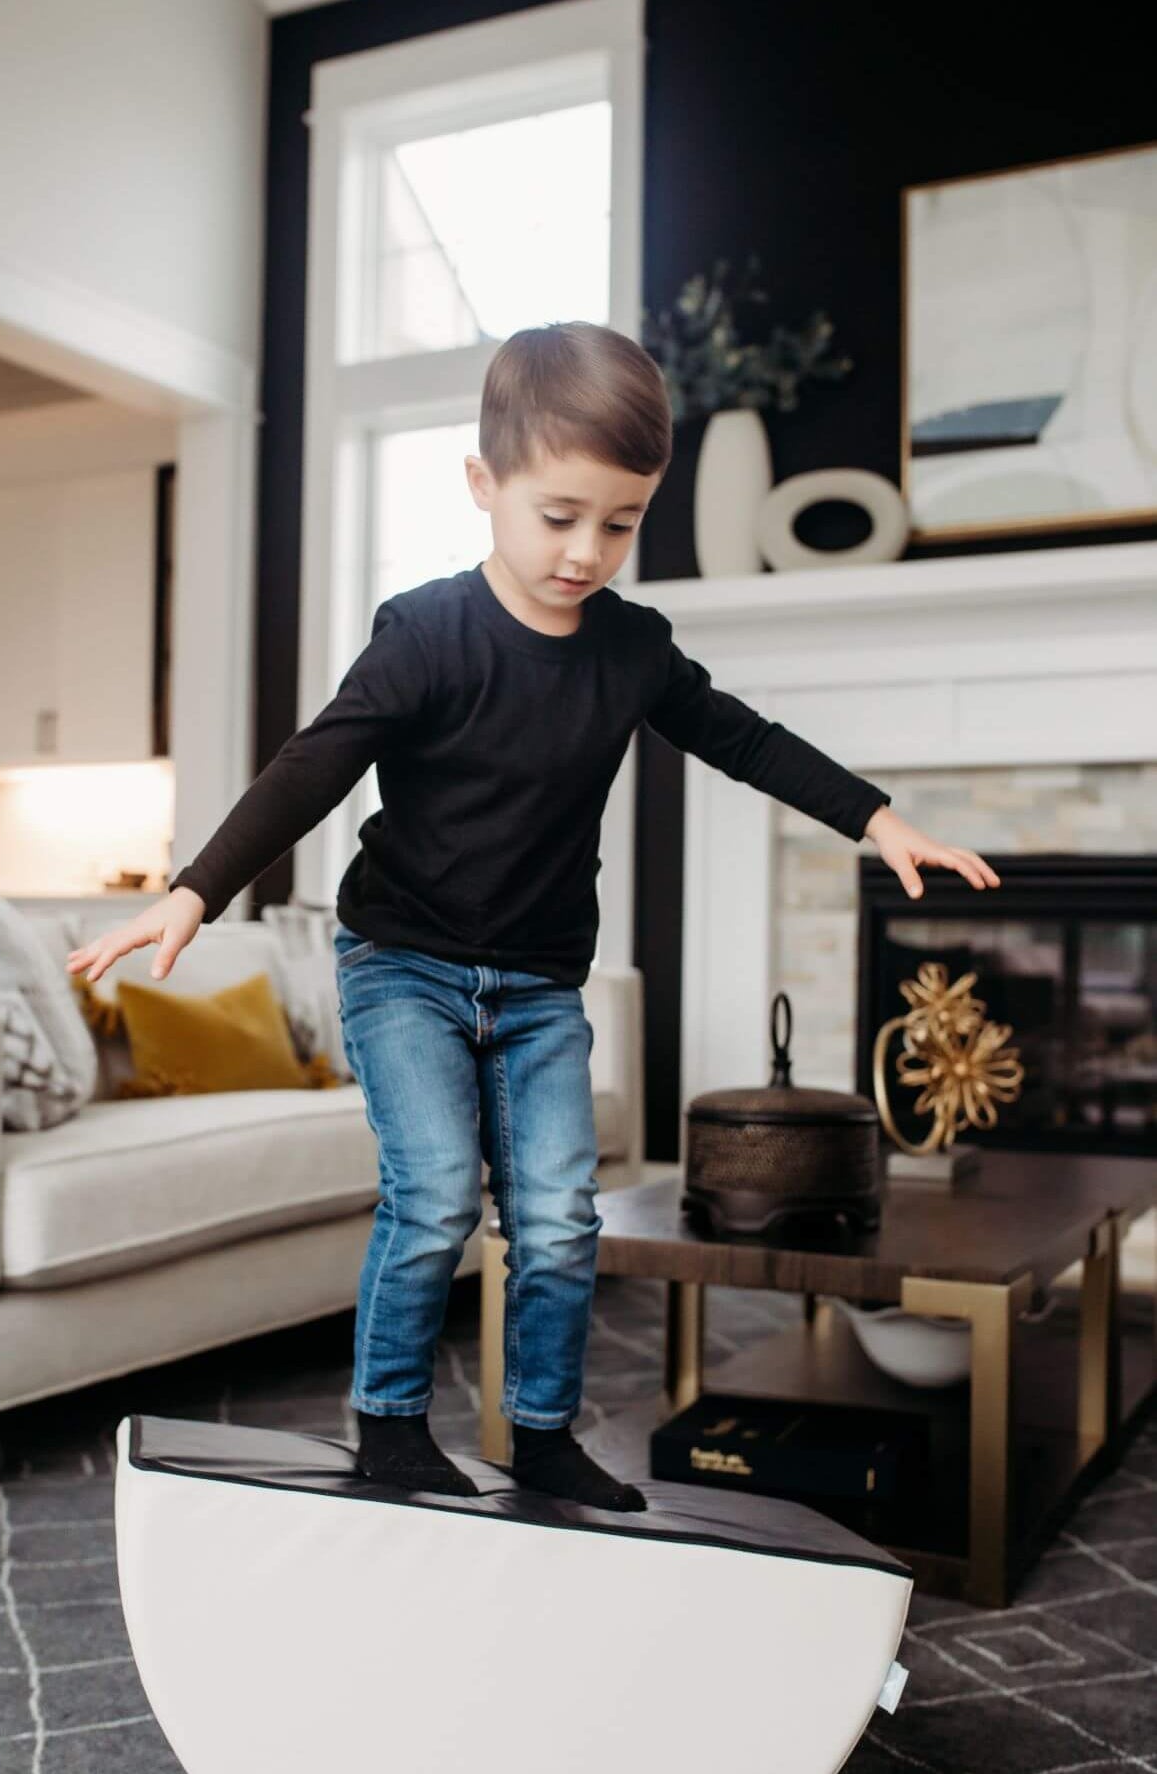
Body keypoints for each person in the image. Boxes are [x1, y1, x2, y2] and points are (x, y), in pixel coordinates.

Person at [66, 321, 1001, 1512]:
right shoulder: (428, 632)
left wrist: (876, 820)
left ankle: (544, 1436)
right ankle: (391, 1420)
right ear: (484, 485)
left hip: (541, 985)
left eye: (620, 523)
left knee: (560, 1215)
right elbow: (317, 763)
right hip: (401, 965)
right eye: (559, 516)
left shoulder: (631, 649)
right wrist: (196, 888)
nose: (586, 551)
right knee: (438, 1190)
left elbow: (743, 738)